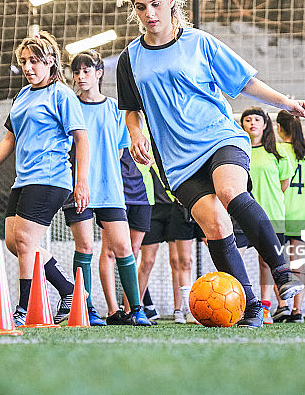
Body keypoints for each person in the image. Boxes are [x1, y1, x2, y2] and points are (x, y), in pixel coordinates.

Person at [100, 0, 305, 327]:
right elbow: (131, 110)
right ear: (134, 11)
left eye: (155, 4)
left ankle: (282, 271)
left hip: (219, 138)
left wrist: (287, 102)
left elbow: (246, 84)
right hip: (177, 161)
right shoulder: (129, 59)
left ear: (171, 2)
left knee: (230, 191)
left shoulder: (200, 43)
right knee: (215, 225)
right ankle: (250, 305)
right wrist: (135, 133)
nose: (150, 14)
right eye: (140, 8)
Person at [0, 31, 90, 327]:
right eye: (24, 62)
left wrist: (82, 182)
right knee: (15, 243)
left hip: (51, 177)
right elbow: (9, 138)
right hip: (23, 179)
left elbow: (82, 140)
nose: (28, 67)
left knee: (25, 241)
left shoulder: (61, 94)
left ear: (51, 61)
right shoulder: (23, 95)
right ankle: (70, 291)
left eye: (35, 61)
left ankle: (24, 309)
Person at [66, 50, 152, 326]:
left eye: (86, 71)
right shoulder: (70, 107)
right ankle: (87, 308)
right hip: (78, 188)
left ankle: (136, 309)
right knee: (86, 247)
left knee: (124, 247)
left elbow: (118, 151)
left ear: (99, 73)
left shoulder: (116, 109)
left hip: (110, 189)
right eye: (77, 72)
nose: (81, 77)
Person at [240, 107, 294, 324]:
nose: (252, 123)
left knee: (267, 263)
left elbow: (283, 185)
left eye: (256, 119)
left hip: (272, 216)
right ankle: (242, 305)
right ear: (242, 125)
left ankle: (264, 308)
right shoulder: (238, 151)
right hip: (242, 216)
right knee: (237, 258)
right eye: (247, 119)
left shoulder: (278, 154)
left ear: (265, 125)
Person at [99, 133, 155, 323]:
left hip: (143, 193)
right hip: (115, 192)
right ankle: (113, 311)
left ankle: (132, 311)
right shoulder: (115, 118)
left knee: (133, 252)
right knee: (109, 251)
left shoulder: (150, 122)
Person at [138, 163, 203, 324]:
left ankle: (179, 310)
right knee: (146, 261)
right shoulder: (144, 143)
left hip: (176, 207)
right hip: (154, 207)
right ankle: (134, 307)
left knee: (178, 261)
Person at [274, 109, 305, 323]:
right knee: (298, 264)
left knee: (277, 264)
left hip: (280, 214)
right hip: (303, 216)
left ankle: (282, 306)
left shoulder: (277, 150)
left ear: (279, 128)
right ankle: (297, 311)